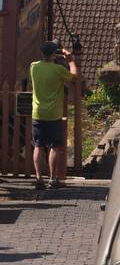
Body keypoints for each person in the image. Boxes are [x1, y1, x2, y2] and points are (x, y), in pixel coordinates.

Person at [30, 41, 78, 192]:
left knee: (38, 146)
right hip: (53, 114)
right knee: (55, 147)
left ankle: (38, 179)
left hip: (37, 113)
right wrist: (70, 60)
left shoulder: (34, 67)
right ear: (53, 54)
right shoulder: (58, 69)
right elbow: (75, 77)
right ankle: (52, 178)